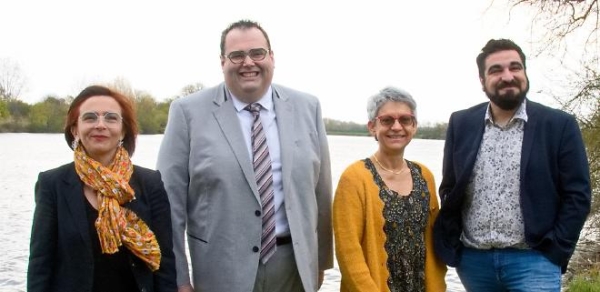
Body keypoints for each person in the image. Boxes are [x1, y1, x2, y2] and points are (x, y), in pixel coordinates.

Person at [156, 19, 333, 292]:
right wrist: (178, 278)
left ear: (272, 57)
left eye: (257, 53)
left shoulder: (307, 107)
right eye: (236, 55)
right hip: (219, 271)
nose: (248, 62)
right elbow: (170, 204)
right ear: (222, 62)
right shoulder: (187, 113)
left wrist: (320, 264)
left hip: (293, 269)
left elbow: (321, 194)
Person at [433, 39, 592, 291]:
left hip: (535, 260)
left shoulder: (559, 125)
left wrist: (557, 248)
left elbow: (578, 195)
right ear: (483, 80)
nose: (507, 76)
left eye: (515, 67)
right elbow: (450, 188)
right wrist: (456, 245)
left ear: (525, 73)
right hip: (474, 262)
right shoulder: (461, 123)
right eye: (496, 70)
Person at [27, 85, 177, 291]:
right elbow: (40, 263)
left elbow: (165, 262)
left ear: (123, 130)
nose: (100, 125)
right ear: (75, 130)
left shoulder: (150, 183)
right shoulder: (52, 184)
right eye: (89, 118)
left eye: (111, 118)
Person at [333, 86, 447, 292]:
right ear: (372, 127)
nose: (396, 127)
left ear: (414, 126)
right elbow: (348, 252)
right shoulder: (354, 178)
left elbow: (433, 243)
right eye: (387, 120)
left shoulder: (425, 176)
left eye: (405, 119)